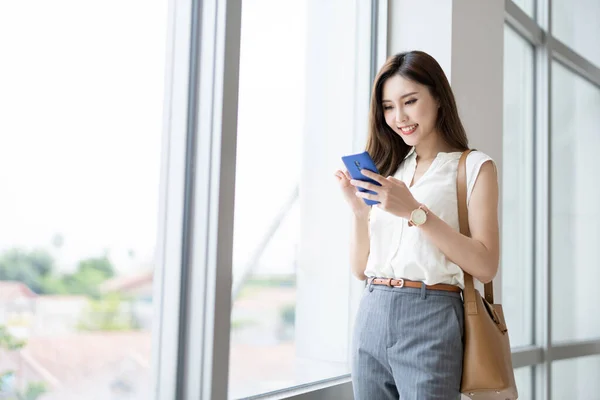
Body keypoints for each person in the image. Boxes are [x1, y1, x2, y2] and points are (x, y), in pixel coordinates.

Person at [334, 50, 500, 400]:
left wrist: (415, 212)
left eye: (410, 101)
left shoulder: (474, 168)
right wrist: (359, 213)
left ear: (438, 96)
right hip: (372, 312)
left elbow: (485, 266)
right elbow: (360, 270)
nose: (399, 117)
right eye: (388, 106)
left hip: (432, 315)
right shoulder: (390, 169)